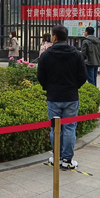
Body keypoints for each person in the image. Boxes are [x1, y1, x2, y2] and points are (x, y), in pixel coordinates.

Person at [37, 25, 88, 170]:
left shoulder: (46, 55)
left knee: (55, 129)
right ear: (66, 37)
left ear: (54, 37)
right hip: (71, 96)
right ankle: (67, 159)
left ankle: (57, 157)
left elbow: (40, 76)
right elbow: (83, 76)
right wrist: (74, 87)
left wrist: (48, 87)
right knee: (70, 128)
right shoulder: (76, 54)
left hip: (54, 96)